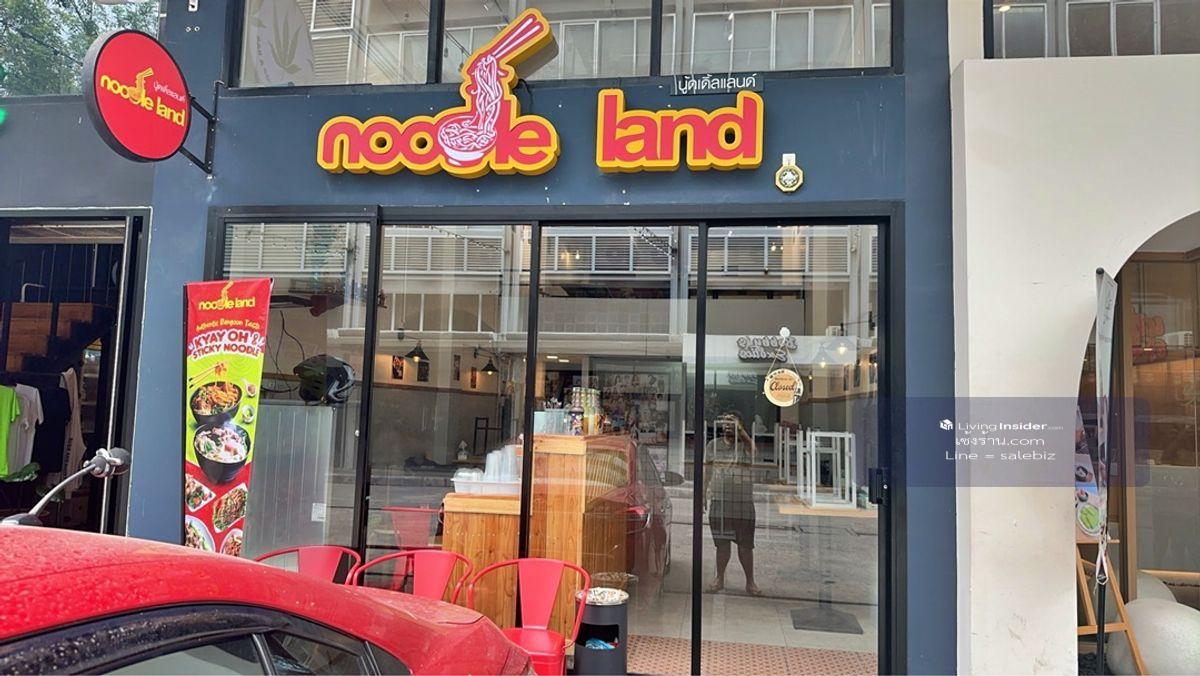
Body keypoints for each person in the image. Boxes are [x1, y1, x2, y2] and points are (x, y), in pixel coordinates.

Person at [704, 412, 761, 596]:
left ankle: (750, 582)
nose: (728, 425)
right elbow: (707, 470)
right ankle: (719, 578)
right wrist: (703, 493)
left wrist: (740, 431)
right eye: (725, 422)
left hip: (743, 501)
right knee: (722, 544)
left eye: (732, 422)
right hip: (720, 500)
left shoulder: (745, 445)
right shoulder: (713, 445)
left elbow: (754, 451)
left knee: (745, 545)